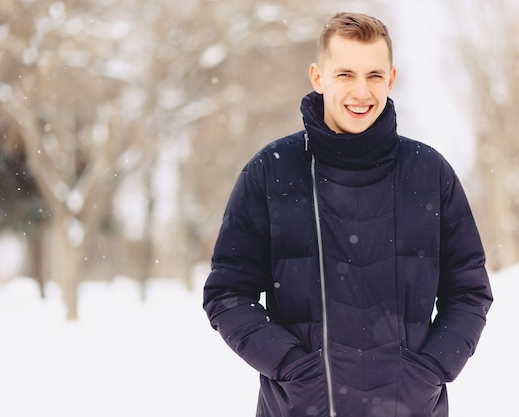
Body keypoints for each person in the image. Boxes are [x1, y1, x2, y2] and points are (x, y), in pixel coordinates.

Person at [203, 12, 493, 417]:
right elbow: (227, 294)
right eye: (345, 74)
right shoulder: (270, 172)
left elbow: (469, 292)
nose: (361, 91)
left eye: (374, 75)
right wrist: (292, 368)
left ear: (391, 79)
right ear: (318, 77)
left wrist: (429, 371)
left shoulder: (430, 174)